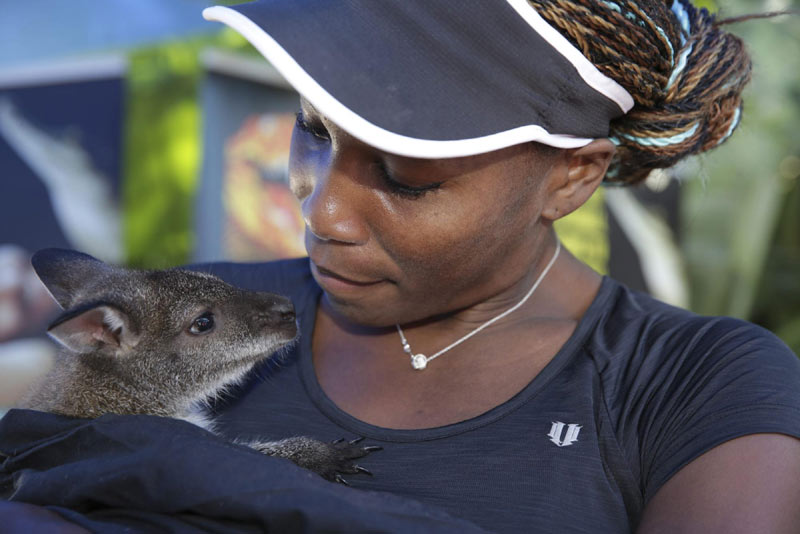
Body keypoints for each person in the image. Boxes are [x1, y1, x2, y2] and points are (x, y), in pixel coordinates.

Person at [3, 1, 799, 532]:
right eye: (313, 128)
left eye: (407, 174)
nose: (322, 212)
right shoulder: (194, 314)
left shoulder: (696, 381)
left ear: (573, 177)